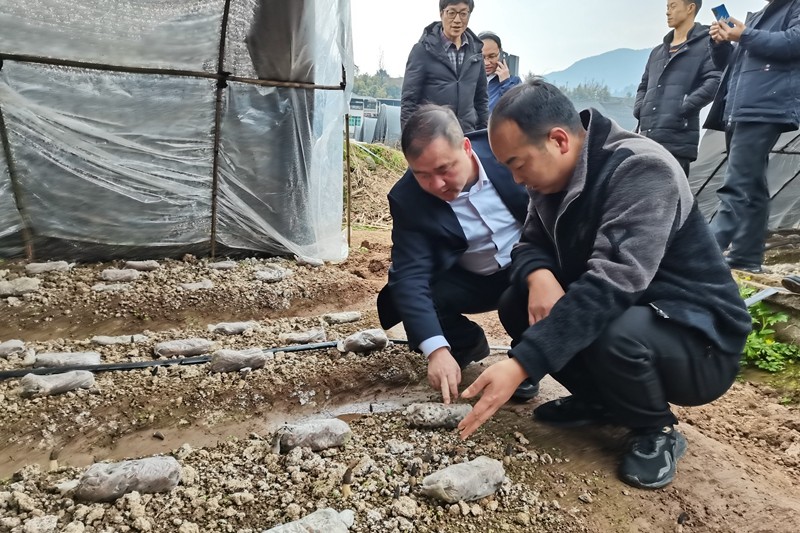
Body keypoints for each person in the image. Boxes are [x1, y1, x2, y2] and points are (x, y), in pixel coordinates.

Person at [457, 80, 752, 490]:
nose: (517, 179)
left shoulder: (642, 169)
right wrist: (540, 276)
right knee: (516, 301)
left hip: (697, 338)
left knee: (613, 330)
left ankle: (656, 430)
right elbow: (527, 245)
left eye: (517, 164)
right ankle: (601, 402)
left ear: (559, 140)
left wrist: (523, 363)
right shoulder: (551, 180)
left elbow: (611, 285)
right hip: (633, 312)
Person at [377, 104, 539, 405]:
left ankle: (527, 359)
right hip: (471, 279)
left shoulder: (505, 153)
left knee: (524, 297)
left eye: (444, 169)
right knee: (407, 296)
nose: (437, 185)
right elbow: (410, 275)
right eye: (422, 175)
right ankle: (463, 344)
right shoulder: (407, 198)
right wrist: (436, 350)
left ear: (466, 147)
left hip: (529, 266)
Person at [705, 0, 800, 273]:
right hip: (741, 106)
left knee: (736, 184)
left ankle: (703, 255)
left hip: (764, 105)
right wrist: (721, 43)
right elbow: (731, 63)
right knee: (752, 186)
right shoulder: (759, 16)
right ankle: (745, 256)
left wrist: (744, 34)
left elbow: (793, 43)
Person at [634, 0, 722, 176]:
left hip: (678, 140)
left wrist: (684, 107)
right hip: (647, 139)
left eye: (673, 6)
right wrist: (640, 108)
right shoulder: (658, 52)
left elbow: (715, 80)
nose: (668, 12)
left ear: (690, 8)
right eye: (667, 7)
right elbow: (644, 85)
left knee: (673, 191)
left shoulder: (707, 45)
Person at [400, 1, 489, 133]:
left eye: (463, 14)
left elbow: (481, 100)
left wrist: (481, 135)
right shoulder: (423, 50)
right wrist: (410, 140)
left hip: (467, 135)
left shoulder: (476, 53)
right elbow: (409, 101)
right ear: (441, 13)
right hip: (433, 135)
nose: (457, 20)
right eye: (451, 13)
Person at [479, 31, 522, 111]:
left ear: (501, 53)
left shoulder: (514, 82)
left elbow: (518, 110)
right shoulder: (467, 82)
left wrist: (506, 83)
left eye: (492, 56)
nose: (487, 63)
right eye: (482, 57)